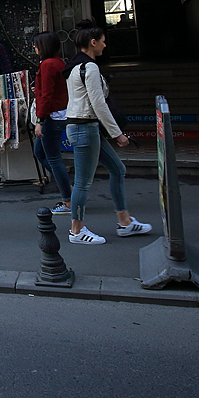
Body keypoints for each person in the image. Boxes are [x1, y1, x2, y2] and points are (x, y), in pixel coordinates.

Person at [62, 20, 151, 245]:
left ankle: (125, 222)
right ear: (93, 42)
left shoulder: (75, 65)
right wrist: (117, 133)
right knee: (83, 182)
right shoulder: (89, 67)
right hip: (85, 128)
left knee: (117, 169)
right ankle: (76, 230)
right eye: (102, 42)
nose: (104, 45)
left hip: (86, 128)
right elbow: (98, 103)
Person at [31, 31, 72, 214]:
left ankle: (68, 200)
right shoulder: (57, 62)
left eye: (36, 44)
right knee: (40, 153)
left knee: (53, 158)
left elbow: (47, 95)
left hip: (51, 117)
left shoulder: (48, 65)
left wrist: (40, 120)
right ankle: (67, 188)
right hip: (56, 114)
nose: (34, 47)